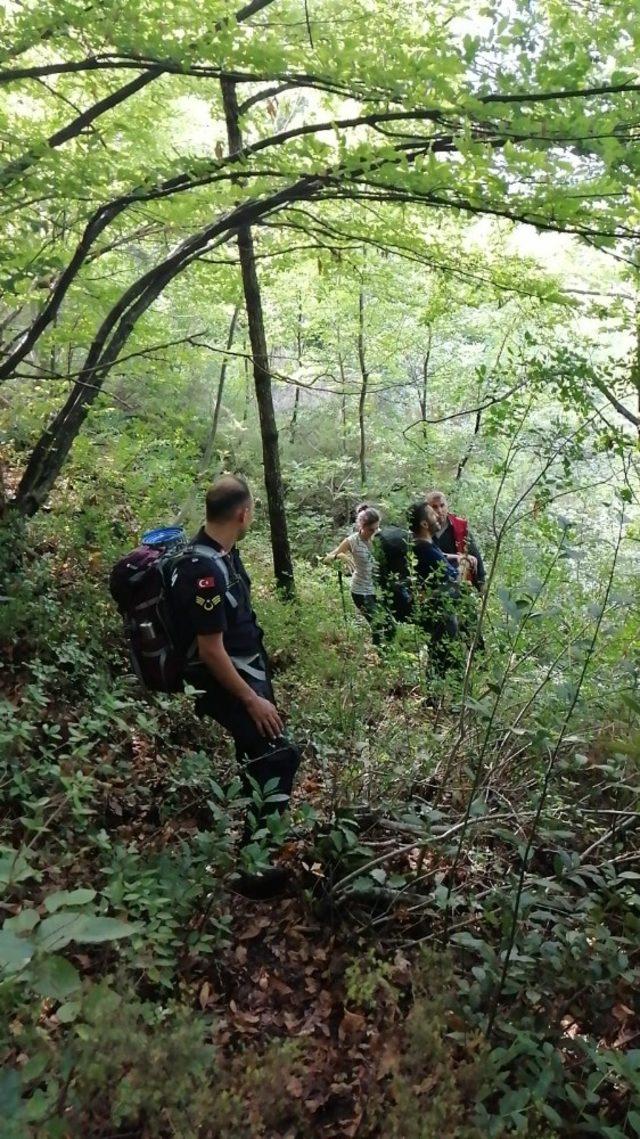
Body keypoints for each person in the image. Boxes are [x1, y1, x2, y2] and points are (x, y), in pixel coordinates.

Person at [171, 475, 300, 898]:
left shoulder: (221, 555)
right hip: (228, 683)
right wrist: (251, 700)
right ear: (243, 513)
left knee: (259, 758)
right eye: (254, 509)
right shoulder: (203, 570)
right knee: (280, 756)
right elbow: (211, 650)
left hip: (245, 675)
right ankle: (256, 869)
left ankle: (253, 853)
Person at [324, 504, 391, 645]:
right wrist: (340, 556)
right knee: (377, 625)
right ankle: (380, 658)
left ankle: (389, 656)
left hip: (380, 589)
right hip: (361, 591)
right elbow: (326, 559)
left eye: (377, 528)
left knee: (391, 626)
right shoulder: (352, 541)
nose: (374, 532)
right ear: (361, 526)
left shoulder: (381, 538)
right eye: (370, 529)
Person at [408, 500, 461, 677]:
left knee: (441, 651)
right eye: (432, 514)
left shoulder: (424, 544)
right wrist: (462, 566)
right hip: (440, 609)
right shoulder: (425, 549)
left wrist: (457, 558)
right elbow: (453, 576)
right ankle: (434, 697)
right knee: (440, 653)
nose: (438, 515)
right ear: (424, 524)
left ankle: (437, 694)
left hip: (438, 607)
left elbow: (442, 559)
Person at [424, 490, 486, 591]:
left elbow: (475, 555)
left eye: (442, 505)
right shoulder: (424, 529)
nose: (439, 511)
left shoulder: (459, 527)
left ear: (447, 506)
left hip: (458, 580)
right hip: (431, 581)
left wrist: (481, 585)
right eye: (434, 507)